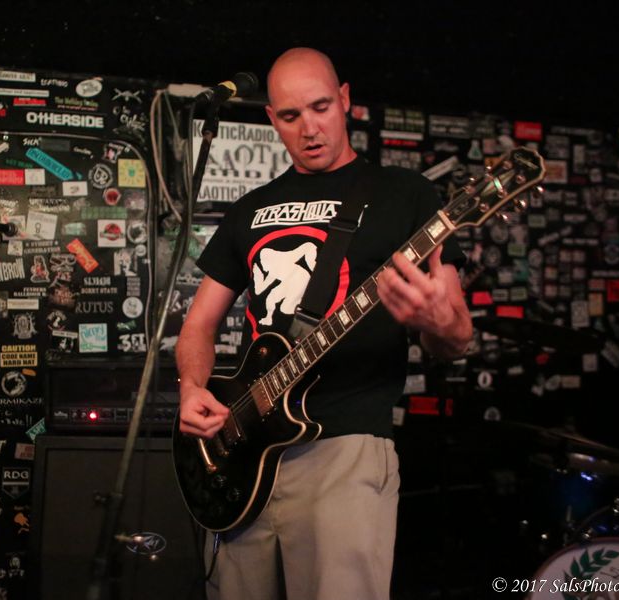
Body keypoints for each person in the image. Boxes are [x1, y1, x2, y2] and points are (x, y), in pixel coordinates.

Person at [175, 47, 473, 600]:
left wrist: (441, 322)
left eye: (320, 108)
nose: (309, 129)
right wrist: (193, 387)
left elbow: (455, 340)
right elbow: (198, 326)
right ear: (272, 119)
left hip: (344, 450)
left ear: (345, 99)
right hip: (244, 454)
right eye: (291, 116)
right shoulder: (250, 209)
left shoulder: (405, 194)